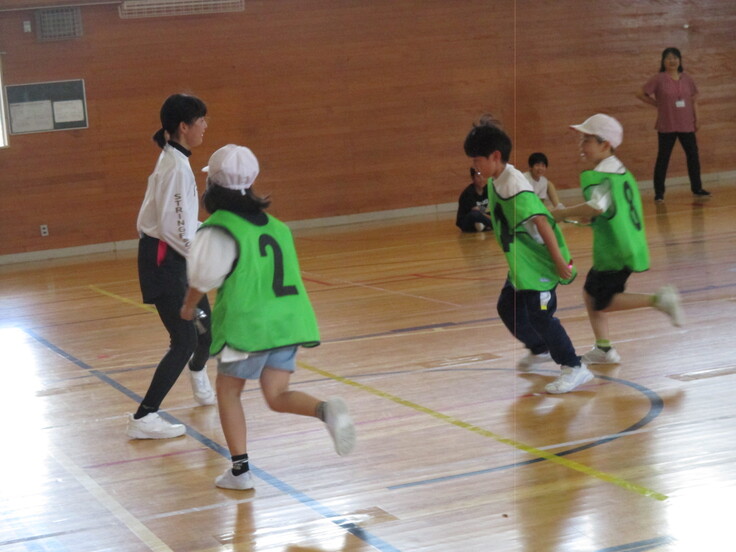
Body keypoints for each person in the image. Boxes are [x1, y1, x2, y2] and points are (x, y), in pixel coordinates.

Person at [180, 144, 356, 490]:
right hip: (290, 322)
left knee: (228, 392)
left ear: (212, 185)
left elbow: (203, 276)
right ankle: (326, 410)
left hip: (251, 326)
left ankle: (240, 471)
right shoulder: (278, 227)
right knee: (276, 395)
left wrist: (188, 306)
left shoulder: (219, 228)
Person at [463, 119, 593, 394]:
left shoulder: (515, 186)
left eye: (477, 159)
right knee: (507, 307)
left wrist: (559, 262)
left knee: (541, 316)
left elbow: (543, 223)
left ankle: (574, 367)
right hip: (523, 264)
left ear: (495, 156)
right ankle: (539, 348)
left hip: (541, 262)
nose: (475, 165)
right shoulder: (497, 181)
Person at [551, 114, 684, 365]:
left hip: (616, 252)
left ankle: (659, 300)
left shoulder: (603, 175)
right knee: (591, 295)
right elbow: (609, 210)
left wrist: (562, 213)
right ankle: (603, 349)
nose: (581, 145)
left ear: (605, 144)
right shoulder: (619, 172)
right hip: (624, 248)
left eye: (587, 139)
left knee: (603, 301)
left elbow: (597, 207)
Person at [128, 93, 216, 440]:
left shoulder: (175, 160)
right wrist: (206, 252)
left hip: (175, 258)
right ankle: (143, 416)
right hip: (165, 261)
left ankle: (198, 375)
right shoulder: (175, 168)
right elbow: (172, 229)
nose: (205, 126)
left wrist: (205, 231)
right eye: (202, 121)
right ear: (184, 126)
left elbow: (181, 221)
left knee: (206, 328)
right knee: (183, 339)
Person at [636, 47, 710, 201]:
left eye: (675, 57)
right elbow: (640, 93)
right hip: (667, 125)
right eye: (668, 58)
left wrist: (698, 118)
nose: (672, 60)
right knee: (663, 158)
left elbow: (694, 99)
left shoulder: (687, 79)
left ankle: (697, 188)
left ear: (680, 60)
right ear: (663, 61)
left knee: (693, 156)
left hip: (686, 124)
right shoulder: (658, 78)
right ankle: (659, 193)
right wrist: (657, 104)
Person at [456, 167, 493, 232]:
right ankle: (493, 225)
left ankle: (483, 225)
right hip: (466, 222)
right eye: (478, 177)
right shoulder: (469, 192)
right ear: (473, 178)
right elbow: (476, 210)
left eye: (483, 176)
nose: (481, 179)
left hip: (481, 216)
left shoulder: (487, 189)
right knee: (475, 214)